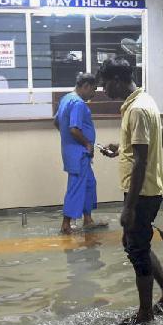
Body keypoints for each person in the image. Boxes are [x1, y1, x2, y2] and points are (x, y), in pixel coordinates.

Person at [97, 58, 163, 325]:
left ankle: (146, 313)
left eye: (106, 84)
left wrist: (129, 207)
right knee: (134, 244)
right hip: (144, 189)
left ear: (118, 79)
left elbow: (142, 161)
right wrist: (121, 149)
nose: (104, 90)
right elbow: (160, 140)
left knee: (137, 249)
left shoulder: (138, 109)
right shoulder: (146, 102)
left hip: (142, 193)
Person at [54, 73, 107, 234]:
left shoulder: (66, 99)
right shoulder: (78, 103)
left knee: (90, 184)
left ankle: (88, 219)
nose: (93, 95)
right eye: (93, 90)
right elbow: (74, 129)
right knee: (76, 187)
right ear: (86, 86)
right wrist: (86, 144)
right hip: (79, 154)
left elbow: (57, 122)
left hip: (74, 152)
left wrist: (69, 140)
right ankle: (66, 224)